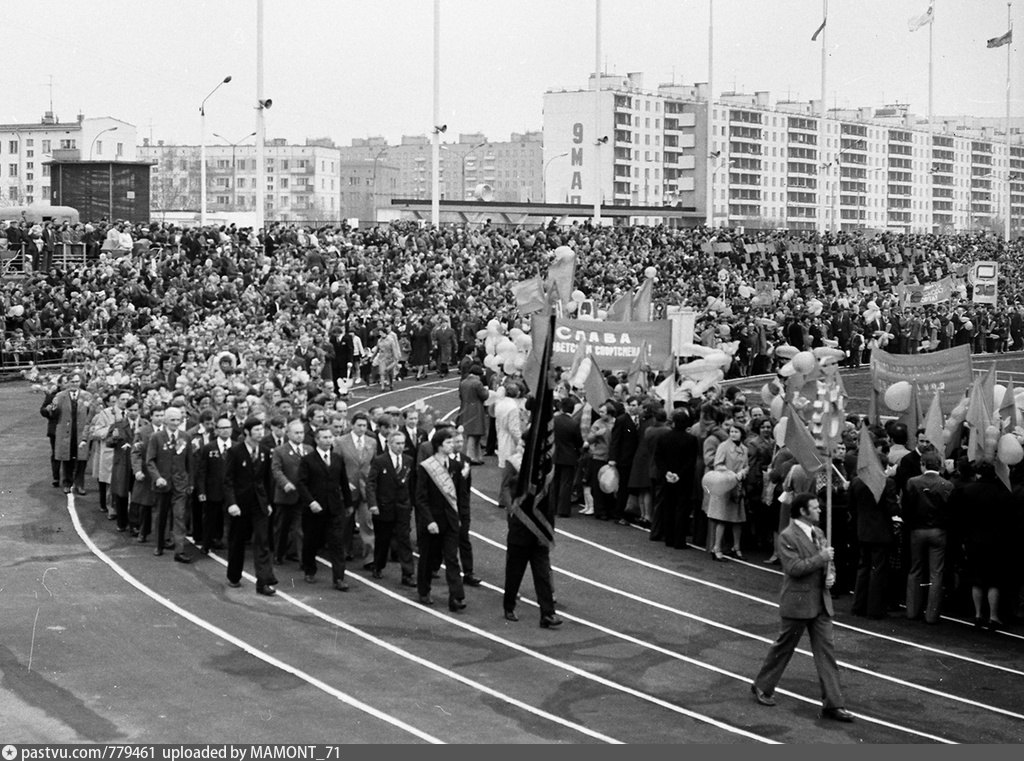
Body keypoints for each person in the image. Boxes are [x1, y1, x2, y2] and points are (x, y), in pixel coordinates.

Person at [750, 493, 854, 723]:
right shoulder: (787, 536)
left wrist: (831, 575)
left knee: (827, 654)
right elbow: (794, 568)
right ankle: (762, 685)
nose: (820, 510)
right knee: (784, 647)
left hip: (820, 603)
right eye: (815, 508)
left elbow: (829, 562)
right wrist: (821, 558)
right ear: (803, 512)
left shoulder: (818, 532)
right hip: (798, 603)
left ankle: (834, 703)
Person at [222, 417, 278, 596]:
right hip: (240, 504)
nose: (260, 433)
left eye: (262, 430)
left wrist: (268, 502)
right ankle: (234, 575)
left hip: (259, 503)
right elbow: (228, 480)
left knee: (262, 541)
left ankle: (264, 581)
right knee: (237, 541)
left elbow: (267, 480)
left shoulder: (265, 451)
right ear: (246, 432)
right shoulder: (235, 452)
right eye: (256, 430)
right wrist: (232, 503)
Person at [297, 426, 354, 591]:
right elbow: (301, 483)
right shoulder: (308, 460)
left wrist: (348, 504)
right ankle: (309, 569)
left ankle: (339, 578)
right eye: (324, 437)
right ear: (317, 440)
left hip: (334, 508)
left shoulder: (337, 459)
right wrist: (311, 502)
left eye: (330, 437)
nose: (328, 440)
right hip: (315, 509)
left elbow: (343, 482)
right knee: (311, 541)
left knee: (337, 543)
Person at [414, 429, 465, 612]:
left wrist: (460, 519)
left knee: (452, 559)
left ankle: (457, 597)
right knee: (428, 558)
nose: (453, 445)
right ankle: (424, 591)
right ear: (439, 445)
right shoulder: (426, 466)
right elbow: (420, 497)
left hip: (450, 520)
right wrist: (429, 521)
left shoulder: (456, 466)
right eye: (449, 442)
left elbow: (460, 496)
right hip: (431, 522)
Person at [902, 450, 952, 624]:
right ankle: (931, 615)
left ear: (922, 464)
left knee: (915, 570)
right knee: (936, 573)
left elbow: (906, 507)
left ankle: (912, 610)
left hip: (917, 530)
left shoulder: (912, 482)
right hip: (938, 531)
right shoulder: (947, 485)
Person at [365, 430, 415, 585]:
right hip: (384, 507)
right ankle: (378, 565)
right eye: (397, 443)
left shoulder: (408, 460)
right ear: (389, 444)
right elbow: (371, 483)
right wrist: (373, 504)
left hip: (402, 507)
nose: (400, 447)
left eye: (402, 443)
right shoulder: (380, 461)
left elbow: (412, 484)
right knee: (383, 539)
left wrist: (411, 503)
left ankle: (408, 573)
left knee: (404, 540)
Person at [145, 407, 194, 563]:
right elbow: (150, 460)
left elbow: (190, 463)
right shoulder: (156, 437)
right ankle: (159, 544)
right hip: (163, 484)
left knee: (179, 516)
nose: (175, 423)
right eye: (172, 419)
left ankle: (179, 550)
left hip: (180, 484)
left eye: (178, 420)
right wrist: (157, 477)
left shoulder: (186, 437)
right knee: (162, 515)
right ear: (165, 420)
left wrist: (190, 482)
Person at [651, 408, 699, 549]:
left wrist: (667, 472)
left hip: (667, 477)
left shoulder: (664, 438)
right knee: (681, 509)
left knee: (668, 507)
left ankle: (669, 538)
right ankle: (679, 540)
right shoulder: (691, 440)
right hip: (683, 479)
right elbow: (690, 461)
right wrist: (679, 474)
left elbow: (658, 457)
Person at [270, 419, 309, 565]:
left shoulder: (309, 449)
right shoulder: (280, 451)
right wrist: (285, 483)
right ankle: (278, 554)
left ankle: (302, 559)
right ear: (288, 434)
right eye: (296, 433)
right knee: (282, 527)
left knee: (300, 529)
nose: (300, 436)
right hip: (285, 496)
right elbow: (276, 469)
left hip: (302, 496)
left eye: (301, 433)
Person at [708, 422, 749, 561]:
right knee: (722, 518)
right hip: (725, 485)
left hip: (737, 486)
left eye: (736, 432)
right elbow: (717, 464)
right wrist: (731, 473)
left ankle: (736, 547)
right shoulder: (723, 447)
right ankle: (716, 548)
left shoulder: (744, 449)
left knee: (738, 519)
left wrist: (743, 472)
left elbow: (746, 465)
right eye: (731, 431)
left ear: (742, 434)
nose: (733, 434)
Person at [194, 415, 234, 555]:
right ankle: (206, 544)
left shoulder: (236, 447)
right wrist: (202, 491)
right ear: (216, 430)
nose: (225, 431)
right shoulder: (208, 448)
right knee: (210, 518)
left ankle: (226, 543)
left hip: (231, 491)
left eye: (227, 428)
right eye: (221, 428)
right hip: (212, 490)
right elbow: (202, 472)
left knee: (231, 519)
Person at [48, 372, 93, 495]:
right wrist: (53, 406)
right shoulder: (60, 396)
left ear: (80, 383)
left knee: (82, 460)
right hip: (66, 433)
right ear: (67, 383)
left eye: (77, 381)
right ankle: (67, 483)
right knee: (66, 459)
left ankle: (80, 484)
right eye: (72, 381)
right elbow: (52, 413)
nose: (74, 384)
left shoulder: (88, 396)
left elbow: (92, 414)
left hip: (82, 432)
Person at [551, 396, 583, 519]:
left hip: (555, 454)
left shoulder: (554, 420)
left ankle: (552, 507)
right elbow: (578, 442)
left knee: (555, 482)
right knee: (566, 483)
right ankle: (563, 509)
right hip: (569, 456)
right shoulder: (574, 424)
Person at [457, 365, 490, 464]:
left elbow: (460, 396)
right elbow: (484, 396)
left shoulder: (463, 382)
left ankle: (477, 457)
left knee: (471, 433)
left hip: (465, 408)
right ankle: (471, 457)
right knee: (474, 434)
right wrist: (487, 391)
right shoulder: (477, 383)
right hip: (476, 409)